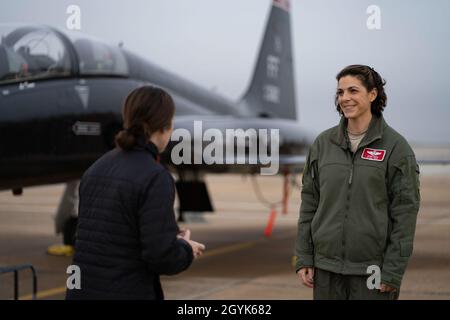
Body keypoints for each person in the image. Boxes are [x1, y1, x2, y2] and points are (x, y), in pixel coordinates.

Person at [66, 86, 205, 300]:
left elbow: (109, 235)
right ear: (165, 127)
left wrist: (168, 237)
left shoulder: (96, 168)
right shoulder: (155, 176)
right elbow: (162, 257)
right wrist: (185, 249)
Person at [295, 65, 420, 300]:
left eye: (353, 91)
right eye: (340, 93)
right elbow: (309, 204)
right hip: (326, 269)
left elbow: (405, 213)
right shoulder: (323, 144)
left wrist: (393, 270)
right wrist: (304, 257)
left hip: (373, 270)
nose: (345, 98)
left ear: (372, 95)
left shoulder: (396, 148)